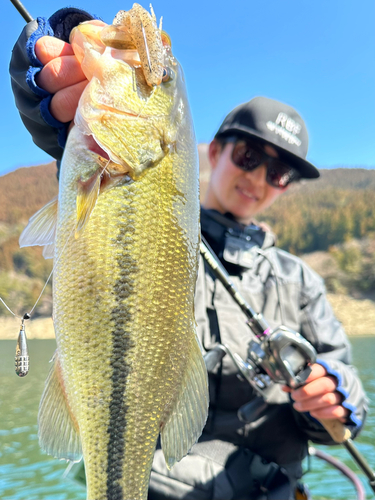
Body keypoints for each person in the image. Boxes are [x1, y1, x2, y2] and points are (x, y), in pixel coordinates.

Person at [10, 10, 368, 500]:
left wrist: (339, 397)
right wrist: (58, 122)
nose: (260, 179)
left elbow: (341, 381)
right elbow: (91, 206)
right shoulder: (163, 224)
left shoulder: (299, 280)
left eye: (280, 173)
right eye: (249, 156)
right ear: (213, 152)